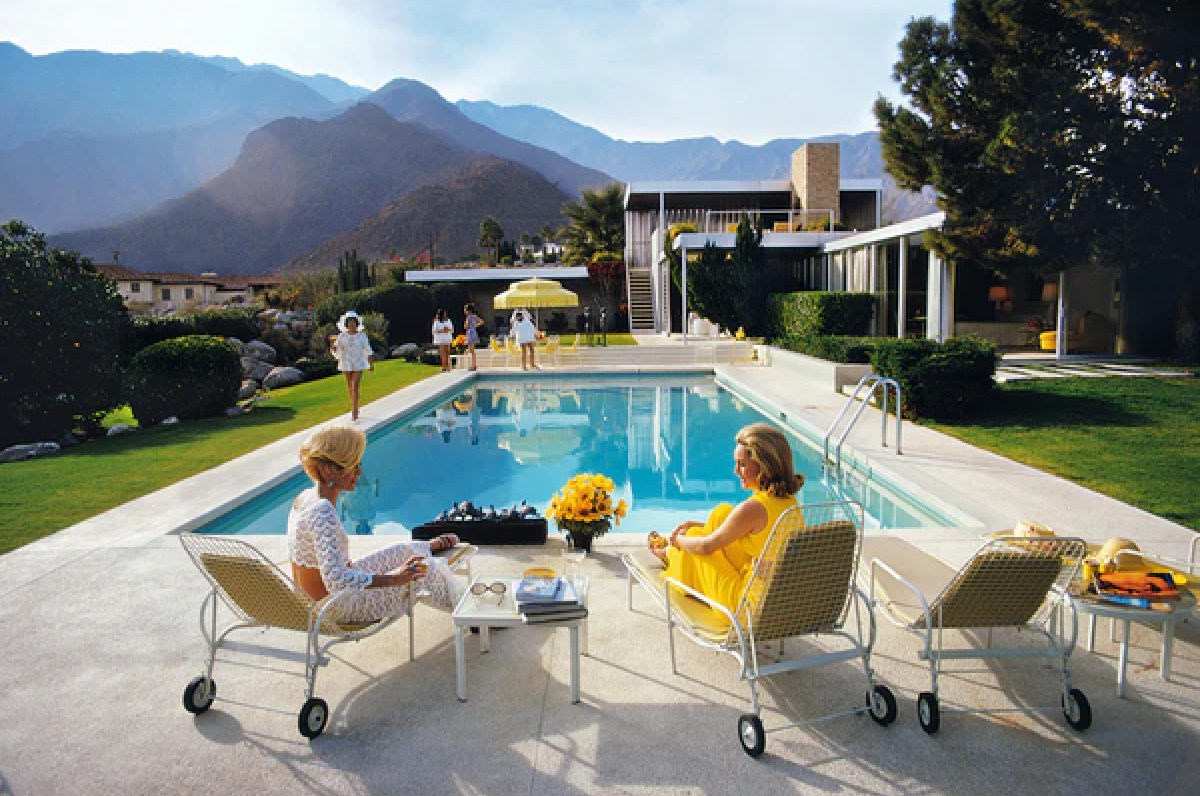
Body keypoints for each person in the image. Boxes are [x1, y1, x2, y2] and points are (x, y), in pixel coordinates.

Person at [288, 424, 465, 623]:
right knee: (425, 571)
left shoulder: (305, 497)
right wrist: (395, 578)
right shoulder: (322, 510)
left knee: (402, 550)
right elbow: (337, 580)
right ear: (330, 471)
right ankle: (471, 614)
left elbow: (323, 565)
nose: (359, 473)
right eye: (353, 466)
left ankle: (428, 546)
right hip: (335, 607)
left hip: (316, 600)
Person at [647, 423, 804, 617]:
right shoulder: (789, 502)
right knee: (722, 513)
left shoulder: (754, 508)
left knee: (695, 538)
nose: (736, 470)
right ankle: (675, 554)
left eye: (742, 464)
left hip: (745, 606)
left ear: (764, 465)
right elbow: (749, 532)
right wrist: (701, 527)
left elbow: (706, 547)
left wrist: (677, 540)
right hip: (773, 596)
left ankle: (670, 555)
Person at [331, 311, 374, 421]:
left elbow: (368, 349)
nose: (351, 323)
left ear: (356, 323)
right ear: (346, 323)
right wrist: (333, 348)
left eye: (353, 321)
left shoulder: (362, 336)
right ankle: (355, 404)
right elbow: (336, 348)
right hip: (346, 363)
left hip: (358, 363)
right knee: (350, 386)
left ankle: (354, 410)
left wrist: (370, 364)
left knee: (355, 386)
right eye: (349, 321)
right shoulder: (341, 336)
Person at [463, 303, 483, 371]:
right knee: (472, 350)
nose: (464, 311)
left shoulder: (469, 317)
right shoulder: (474, 316)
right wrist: (475, 325)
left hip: (470, 333)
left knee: (472, 351)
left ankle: (473, 365)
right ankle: (473, 365)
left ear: (468, 310)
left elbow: (466, 326)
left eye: (465, 310)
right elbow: (481, 321)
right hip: (474, 332)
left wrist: (468, 325)